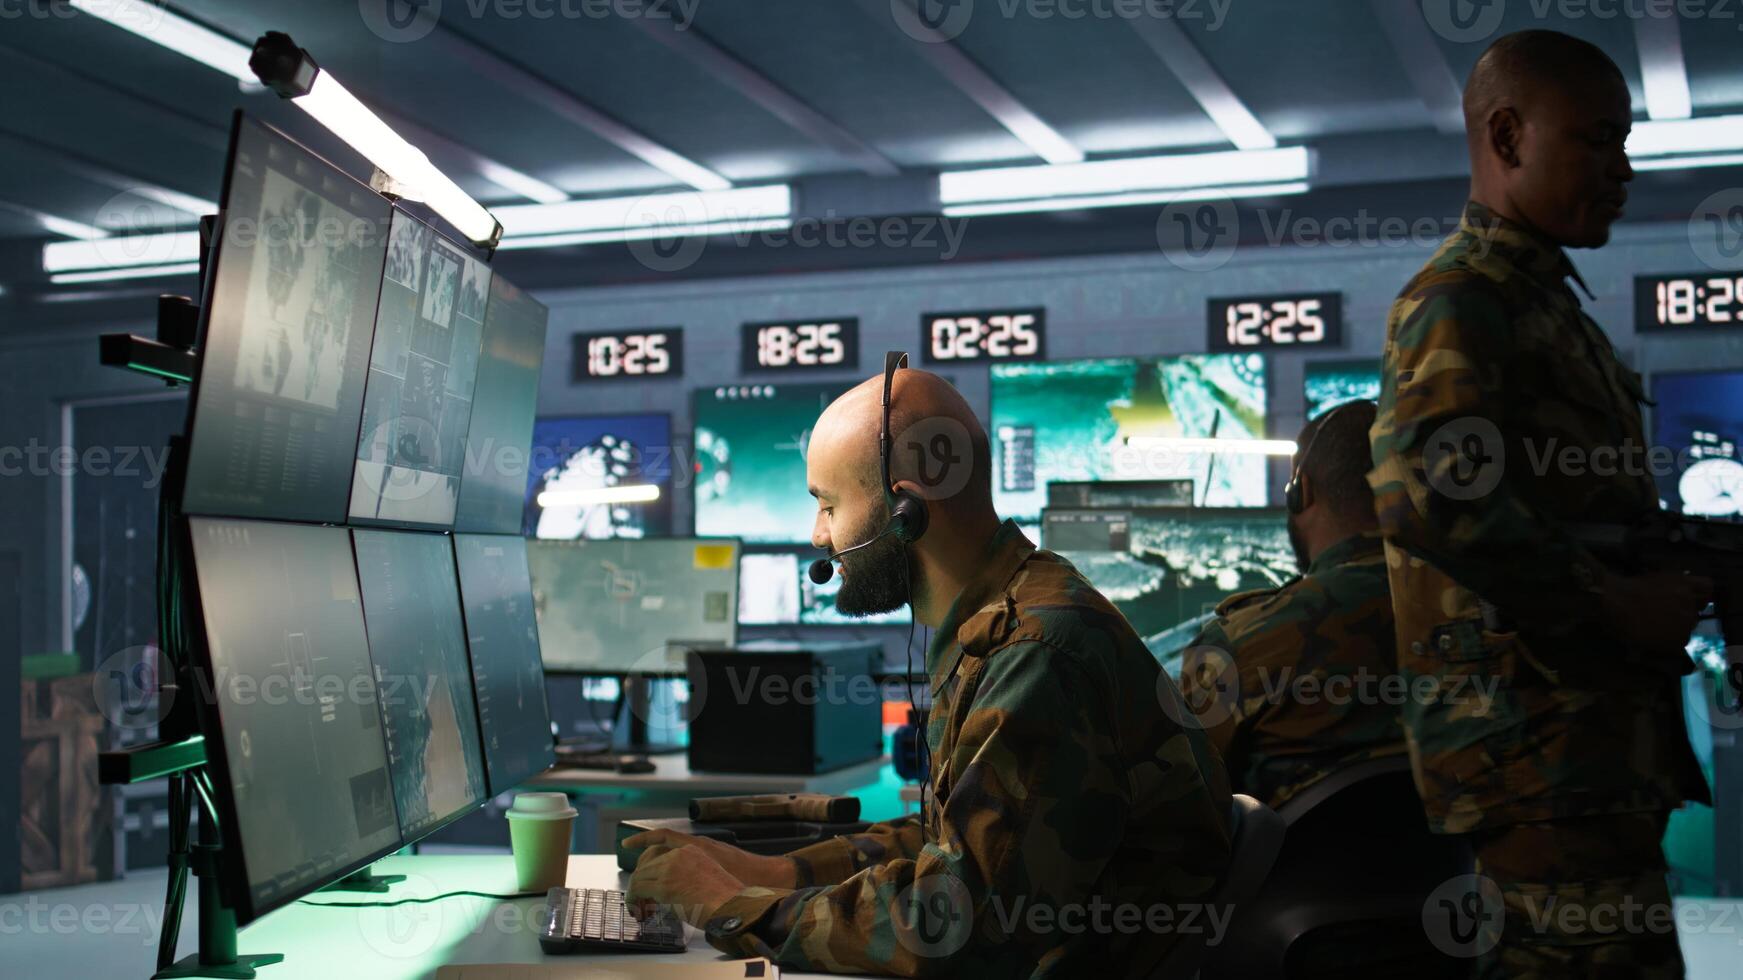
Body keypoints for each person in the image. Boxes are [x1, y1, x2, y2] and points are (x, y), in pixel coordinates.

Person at [625, 362, 1233, 977]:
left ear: (905, 510)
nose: (817, 536)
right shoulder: (1000, 623)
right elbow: (954, 841)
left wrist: (732, 907)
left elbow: (954, 923)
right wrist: (775, 872)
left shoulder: (1036, 655)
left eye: (829, 506)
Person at [1368, 29, 1711, 977]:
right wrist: (1618, 604)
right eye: (1596, 140)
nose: (1622, 170)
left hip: (1583, 753)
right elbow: (1429, 498)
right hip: (1536, 756)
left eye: (1623, 143)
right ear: (1507, 136)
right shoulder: (1461, 299)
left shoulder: (1544, 308)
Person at [1180, 401, 1406, 811]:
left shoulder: (1238, 646)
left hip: (1297, 855)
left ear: (1302, 492)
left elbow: (1178, 801)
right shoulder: (1486, 614)